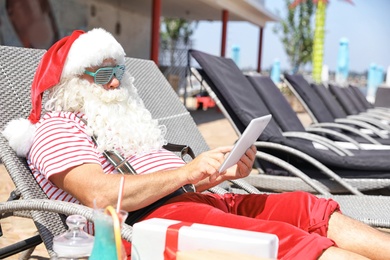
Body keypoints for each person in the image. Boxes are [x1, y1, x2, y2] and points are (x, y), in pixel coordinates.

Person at [3, 28, 390, 260]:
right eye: (105, 74)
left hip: (200, 201)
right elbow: (100, 195)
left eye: (119, 70)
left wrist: (212, 174)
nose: (117, 82)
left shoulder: (120, 124)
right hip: (146, 226)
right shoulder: (56, 129)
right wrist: (187, 171)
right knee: (292, 242)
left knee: (307, 208)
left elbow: (165, 182)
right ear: (71, 83)